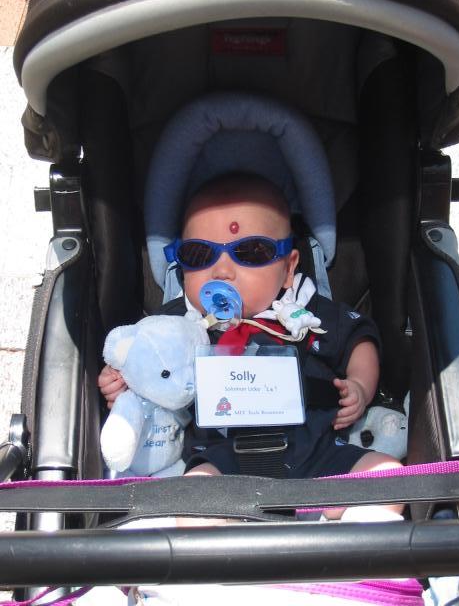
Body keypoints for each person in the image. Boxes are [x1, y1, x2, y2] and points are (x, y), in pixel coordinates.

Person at [99, 173, 403, 516]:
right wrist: (121, 383)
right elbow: (141, 361)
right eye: (199, 254)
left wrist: (360, 385)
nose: (222, 271)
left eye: (251, 252)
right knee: (192, 497)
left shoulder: (307, 313)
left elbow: (359, 340)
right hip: (222, 461)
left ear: (288, 269)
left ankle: (356, 539)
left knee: (389, 477)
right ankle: (232, 538)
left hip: (317, 455)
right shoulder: (176, 326)